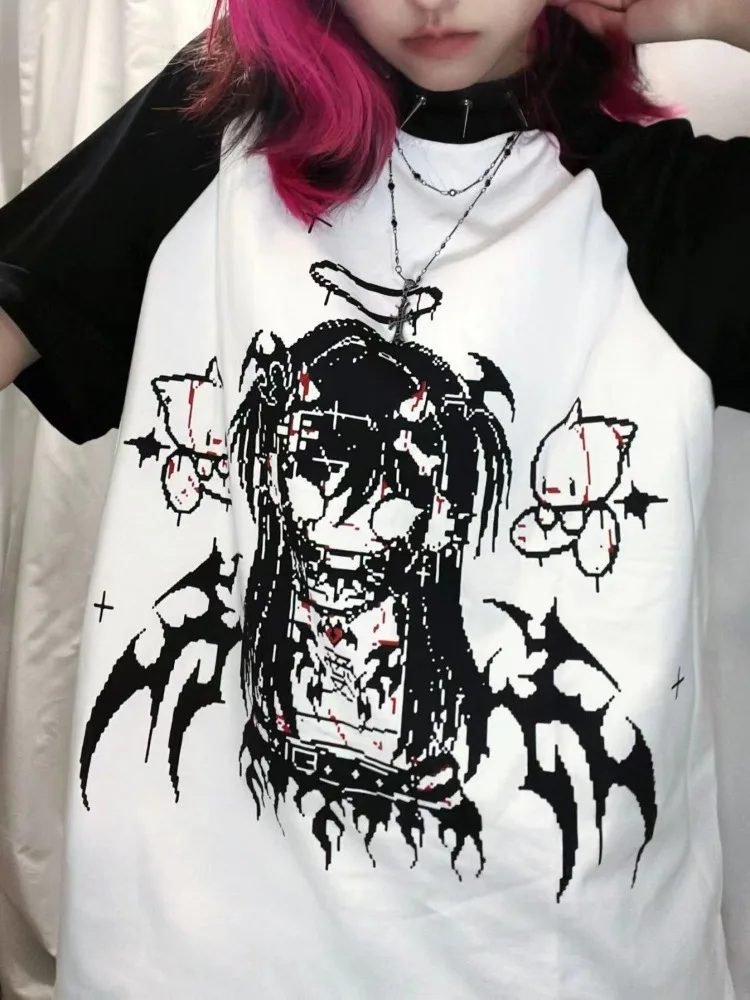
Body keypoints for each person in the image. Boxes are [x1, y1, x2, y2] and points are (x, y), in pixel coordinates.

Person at [0, 0, 748, 995]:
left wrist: (697, 8)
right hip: (187, 957)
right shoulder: (219, 127)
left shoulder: (665, 212)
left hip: (545, 968)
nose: (433, 1)